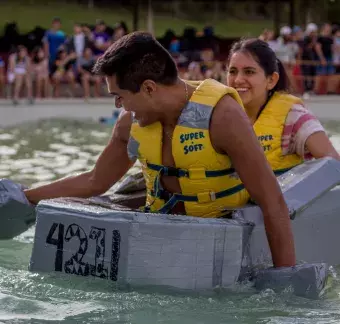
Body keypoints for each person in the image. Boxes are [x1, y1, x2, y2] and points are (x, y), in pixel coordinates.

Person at [18, 32, 295, 268]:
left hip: (218, 231)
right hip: (157, 229)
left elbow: (273, 202)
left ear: (149, 88)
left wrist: (286, 280)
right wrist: (24, 196)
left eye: (120, 97)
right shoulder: (130, 124)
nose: (120, 107)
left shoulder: (222, 117)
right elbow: (95, 181)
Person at [226, 38, 339, 165]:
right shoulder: (220, 119)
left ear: (271, 80)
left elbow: (334, 165)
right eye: (233, 71)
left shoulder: (294, 117)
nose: (238, 80)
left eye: (249, 72)